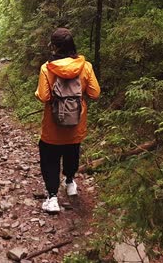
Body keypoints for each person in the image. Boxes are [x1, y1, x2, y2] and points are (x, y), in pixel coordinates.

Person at [34, 27, 101, 213]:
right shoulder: (85, 66)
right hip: (76, 124)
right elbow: (95, 93)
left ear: (54, 47)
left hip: (52, 127)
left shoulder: (47, 68)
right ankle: (70, 182)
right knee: (72, 152)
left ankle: (52, 198)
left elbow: (44, 96)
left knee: (50, 159)